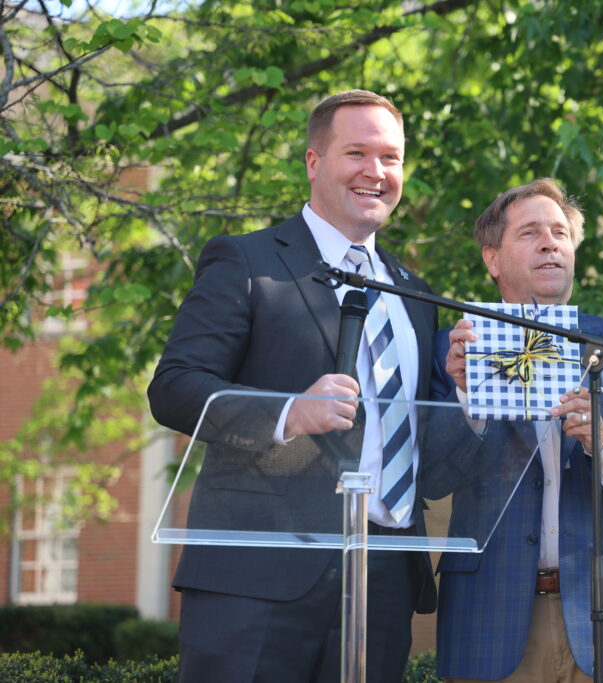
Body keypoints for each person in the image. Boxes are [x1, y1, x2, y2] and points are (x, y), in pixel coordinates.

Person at [148, 89, 437, 683]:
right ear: (314, 162)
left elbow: (429, 444)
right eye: (357, 152)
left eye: (391, 158)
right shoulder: (247, 261)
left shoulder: (416, 293)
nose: (375, 172)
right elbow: (174, 387)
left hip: (380, 582)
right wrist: (288, 414)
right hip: (257, 578)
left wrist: (465, 398)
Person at [421, 178, 603, 682]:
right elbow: (432, 478)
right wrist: (466, 399)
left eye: (560, 232)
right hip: (494, 616)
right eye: (529, 233)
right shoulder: (451, 350)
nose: (550, 242)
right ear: (492, 259)